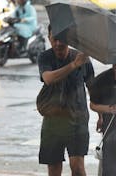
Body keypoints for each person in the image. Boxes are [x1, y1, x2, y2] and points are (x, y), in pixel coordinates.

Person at [37, 25, 94, 176]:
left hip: (77, 120)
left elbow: (92, 87)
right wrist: (73, 65)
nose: (58, 43)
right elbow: (48, 78)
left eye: (62, 39)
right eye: (54, 39)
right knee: (54, 169)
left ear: (69, 40)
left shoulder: (83, 59)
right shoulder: (45, 57)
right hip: (53, 119)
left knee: (78, 168)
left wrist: (102, 115)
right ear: (49, 38)